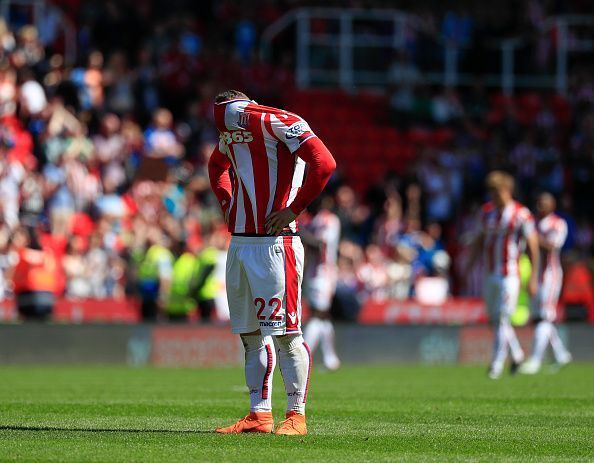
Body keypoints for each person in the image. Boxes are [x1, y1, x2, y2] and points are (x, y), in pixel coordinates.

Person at [208, 90, 336, 435]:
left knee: (286, 334)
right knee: (250, 335)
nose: (227, 127)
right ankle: (259, 414)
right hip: (241, 242)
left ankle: (296, 415)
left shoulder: (278, 121)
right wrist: (228, 206)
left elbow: (325, 163)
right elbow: (215, 166)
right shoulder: (237, 131)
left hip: (276, 243)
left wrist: (293, 210)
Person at [469, 171, 539, 379]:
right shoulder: (486, 212)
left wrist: (534, 276)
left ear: (507, 191)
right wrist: (470, 264)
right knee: (496, 320)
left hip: (510, 275)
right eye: (491, 192)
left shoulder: (521, 214)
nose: (494, 197)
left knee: (502, 318)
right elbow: (479, 239)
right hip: (490, 274)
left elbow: (533, 245)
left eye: (497, 192)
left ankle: (496, 365)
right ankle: (517, 355)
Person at [519, 193, 572, 374]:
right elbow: (525, 247)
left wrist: (533, 238)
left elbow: (553, 246)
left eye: (544, 203)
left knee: (544, 316)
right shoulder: (533, 223)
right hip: (535, 274)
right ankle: (561, 355)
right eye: (538, 203)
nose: (540, 206)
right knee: (540, 317)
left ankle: (535, 360)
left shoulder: (557, 223)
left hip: (550, 275)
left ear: (552, 205)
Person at [302, 196, 341, 371]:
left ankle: (304, 354)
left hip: (323, 273)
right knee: (323, 317)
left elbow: (320, 245)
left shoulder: (329, 220)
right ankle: (330, 359)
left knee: (319, 314)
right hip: (312, 273)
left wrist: (299, 232)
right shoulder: (312, 221)